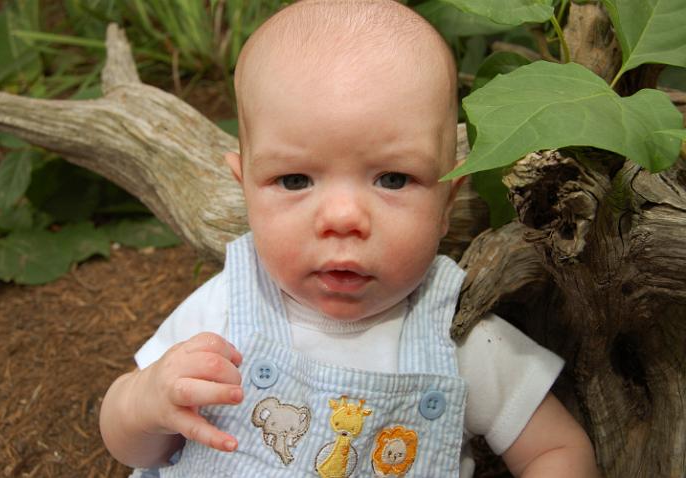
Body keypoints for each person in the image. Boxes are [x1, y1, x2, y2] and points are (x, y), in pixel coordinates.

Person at [100, 1, 600, 476]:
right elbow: (133, 446)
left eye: (393, 179)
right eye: (295, 180)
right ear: (246, 191)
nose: (342, 217)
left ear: (448, 204)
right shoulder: (226, 309)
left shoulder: (458, 337)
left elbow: (557, 449)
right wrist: (145, 403)